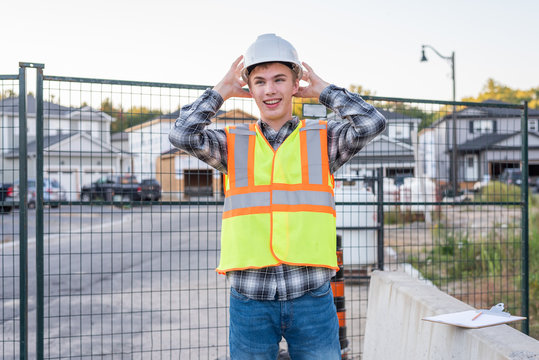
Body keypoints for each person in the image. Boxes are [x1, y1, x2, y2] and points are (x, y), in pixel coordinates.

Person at [169, 33, 386, 360]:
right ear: (250, 89)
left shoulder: (323, 140)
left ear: (295, 83)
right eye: (260, 82)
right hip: (251, 297)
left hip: (311, 294)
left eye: (279, 79)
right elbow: (182, 134)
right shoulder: (232, 144)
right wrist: (221, 91)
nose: (270, 90)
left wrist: (324, 91)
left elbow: (372, 122)